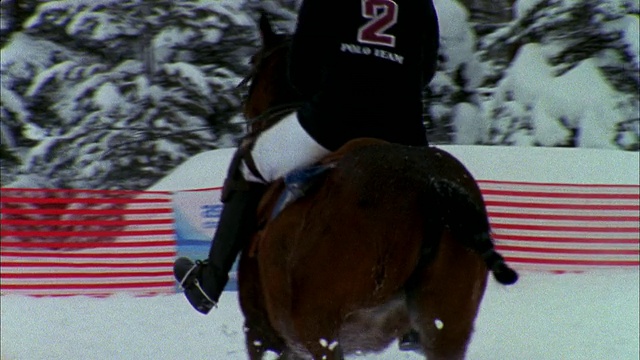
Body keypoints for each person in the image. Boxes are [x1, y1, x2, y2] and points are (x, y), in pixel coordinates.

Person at [173, 0, 440, 316]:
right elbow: (426, 72)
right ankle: (422, 302)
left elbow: (300, 71)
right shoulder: (421, 3)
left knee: (248, 163)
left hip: (331, 124)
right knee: (434, 202)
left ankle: (209, 281)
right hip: (403, 131)